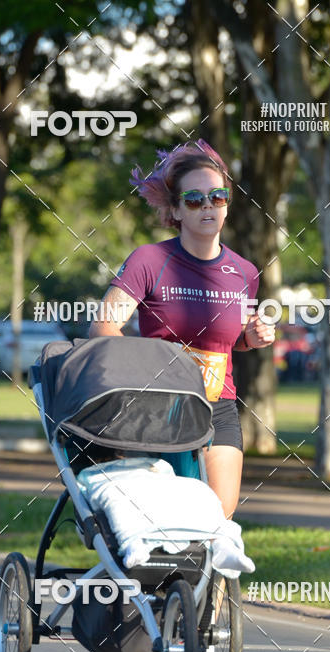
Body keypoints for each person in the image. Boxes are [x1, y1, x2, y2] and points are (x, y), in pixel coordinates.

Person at [88, 139, 275, 520]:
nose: (208, 206)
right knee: (162, 517)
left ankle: (212, 583)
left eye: (217, 196)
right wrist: (144, 368)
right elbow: (103, 326)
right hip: (158, 405)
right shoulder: (149, 260)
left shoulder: (244, 272)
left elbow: (229, 340)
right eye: (194, 199)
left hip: (217, 404)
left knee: (218, 518)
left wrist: (250, 339)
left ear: (227, 203)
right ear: (175, 209)